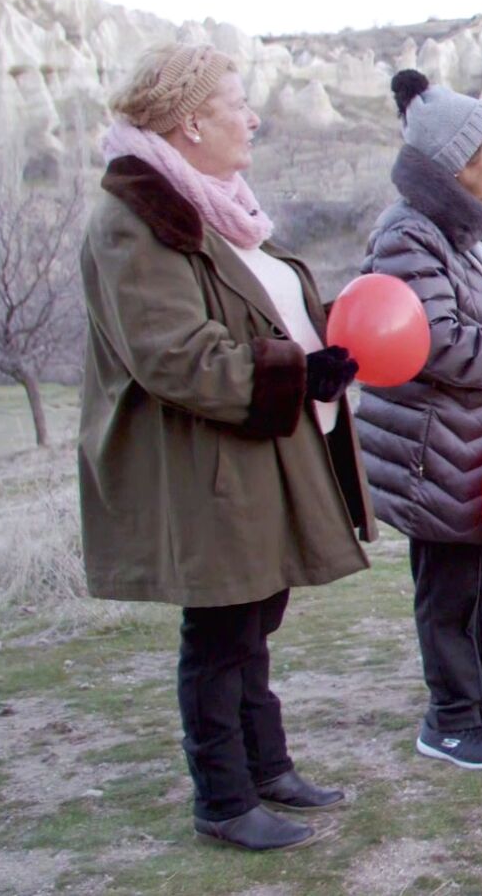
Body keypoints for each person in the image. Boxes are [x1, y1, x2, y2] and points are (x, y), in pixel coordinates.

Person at [79, 43, 372, 852]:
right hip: (197, 462)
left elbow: (258, 310)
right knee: (219, 629)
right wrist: (294, 369)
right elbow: (173, 352)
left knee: (255, 615)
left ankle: (266, 766)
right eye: (237, 104)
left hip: (253, 451)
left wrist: (323, 338)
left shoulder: (215, 203)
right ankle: (222, 797)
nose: (252, 118)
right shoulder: (135, 216)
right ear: (188, 120)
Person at [356, 70, 482, 770]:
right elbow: (440, 346)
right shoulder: (408, 236)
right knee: (447, 587)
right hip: (434, 450)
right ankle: (448, 716)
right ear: (457, 162)